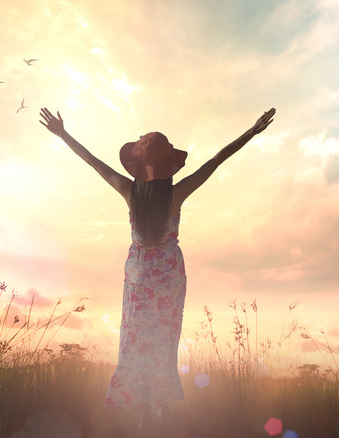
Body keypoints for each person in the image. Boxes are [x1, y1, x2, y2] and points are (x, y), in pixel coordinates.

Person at [39, 106, 276, 429]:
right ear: (169, 165)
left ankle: (143, 410)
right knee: (165, 338)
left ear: (139, 165)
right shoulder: (176, 194)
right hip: (168, 274)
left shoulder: (129, 192)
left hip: (138, 273)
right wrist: (251, 131)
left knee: (135, 338)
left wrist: (63, 134)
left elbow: (94, 162)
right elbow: (215, 162)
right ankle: (161, 398)